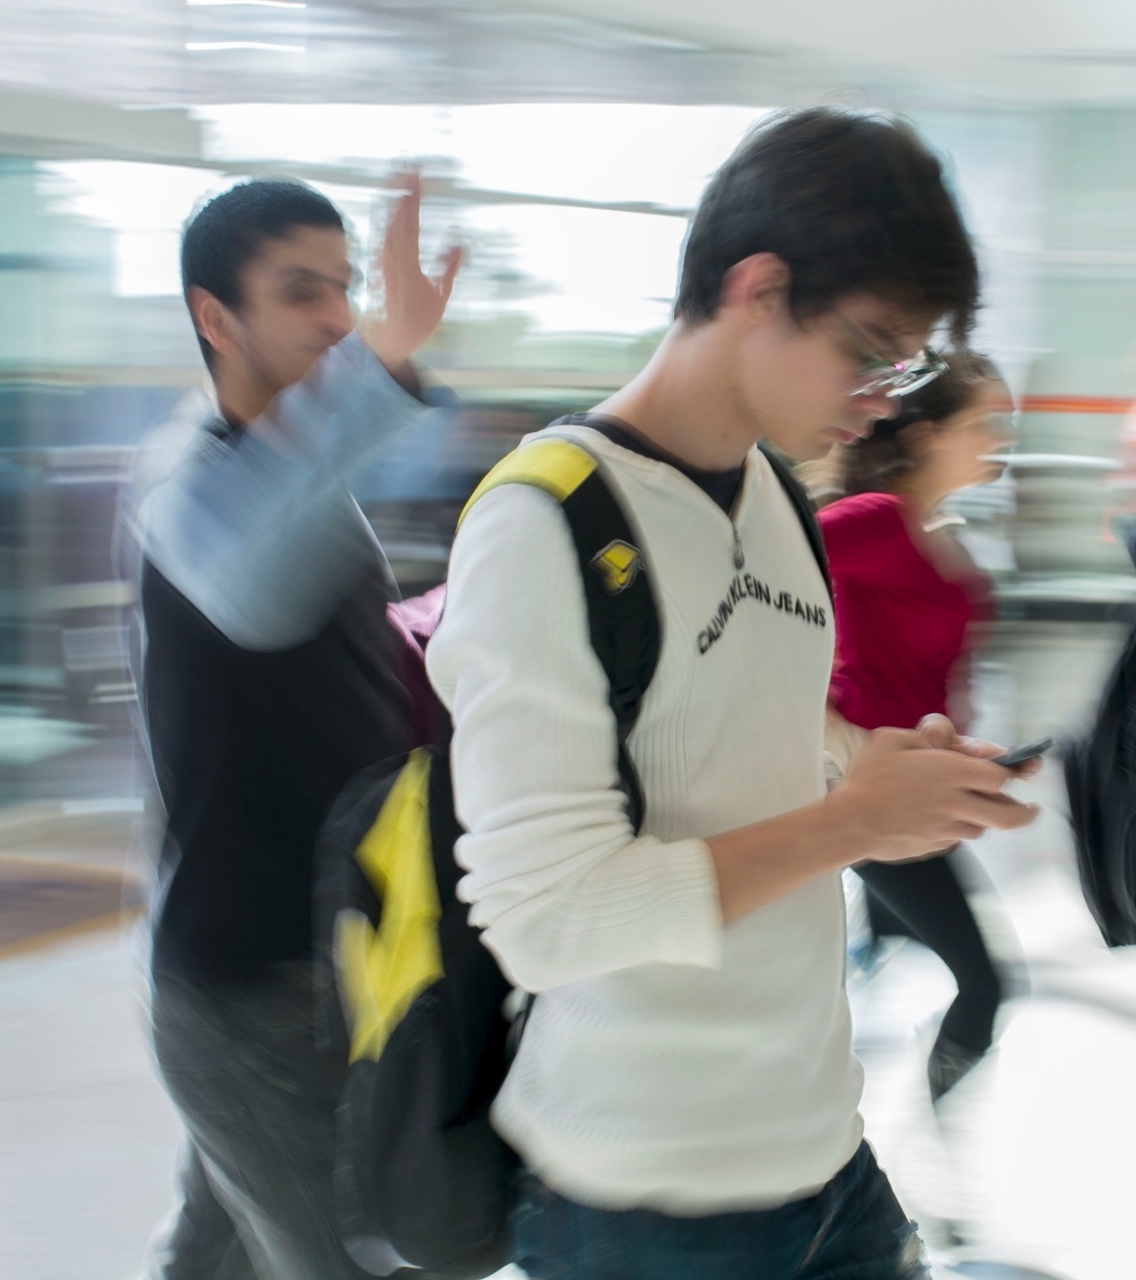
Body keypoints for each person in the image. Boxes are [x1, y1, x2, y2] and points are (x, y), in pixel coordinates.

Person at [425, 108, 1038, 1280]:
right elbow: (544, 918)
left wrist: (872, 766)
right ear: (757, 288)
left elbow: (740, 721)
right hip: (643, 1201)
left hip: (823, 1155)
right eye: (869, 351)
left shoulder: (775, 495)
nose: (883, 400)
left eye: (904, 366)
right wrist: (854, 822)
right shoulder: (542, 522)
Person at [121, 174, 459, 1278]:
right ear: (215, 317)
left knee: (211, 1261)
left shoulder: (284, 470)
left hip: (324, 965)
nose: (338, 318)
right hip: (245, 993)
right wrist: (386, 365)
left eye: (347, 289)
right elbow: (249, 580)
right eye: (301, 291)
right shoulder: (189, 482)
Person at [816, 352, 1016, 1104]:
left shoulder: (934, 528)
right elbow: (760, 573)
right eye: (987, 422)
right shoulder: (871, 521)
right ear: (928, 435)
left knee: (895, 961)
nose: (1001, 437)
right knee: (986, 984)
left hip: (917, 789)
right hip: (872, 791)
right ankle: (939, 1161)